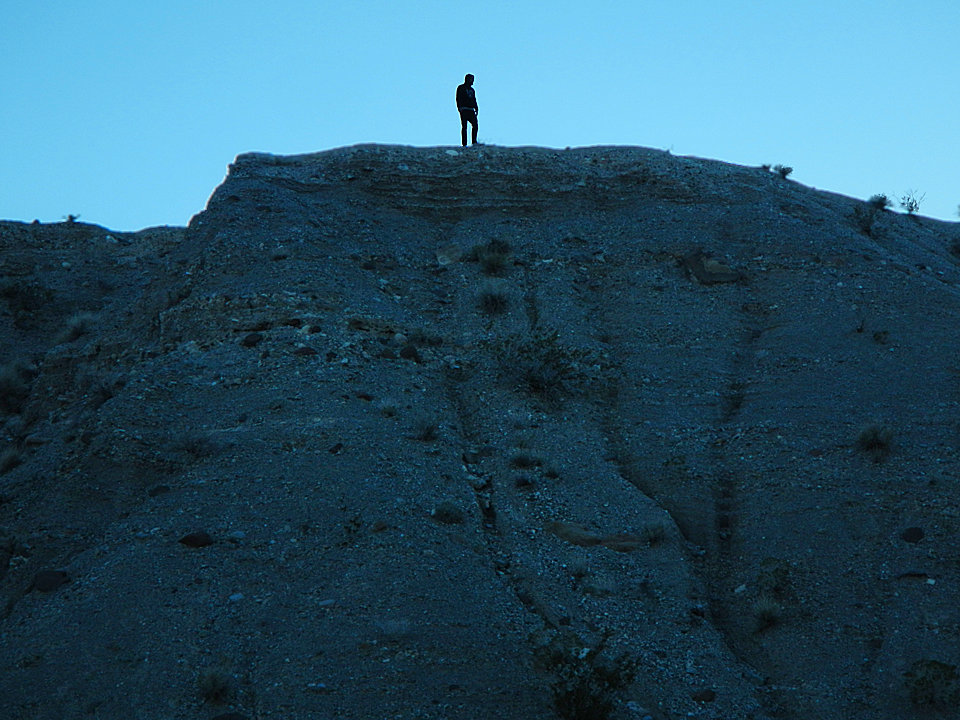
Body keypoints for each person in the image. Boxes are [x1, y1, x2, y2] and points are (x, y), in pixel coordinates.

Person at [456, 74, 478, 146]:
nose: (472, 82)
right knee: (464, 126)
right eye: (471, 80)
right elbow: (458, 98)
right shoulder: (461, 88)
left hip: (471, 110)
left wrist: (476, 107)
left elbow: (474, 99)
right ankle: (464, 144)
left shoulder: (472, 90)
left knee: (475, 125)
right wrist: (459, 107)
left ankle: (474, 142)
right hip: (464, 109)